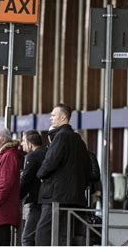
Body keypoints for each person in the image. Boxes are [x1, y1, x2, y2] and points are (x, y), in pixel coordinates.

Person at [35, 104, 91, 246]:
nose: (51, 118)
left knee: (44, 233)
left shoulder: (61, 137)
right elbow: (88, 168)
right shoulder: (79, 141)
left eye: (54, 115)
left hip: (56, 195)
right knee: (65, 235)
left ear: (63, 117)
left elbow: (50, 162)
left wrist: (40, 174)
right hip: (74, 197)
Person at [19, 130, 47, 246]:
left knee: (27, 238)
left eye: (23, 141)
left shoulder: (32, 156)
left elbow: (26, 179)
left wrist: (17, 196)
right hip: (46, 200)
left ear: (30, 143)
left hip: (36, 200)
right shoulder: (47, 152)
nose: (21, 144)